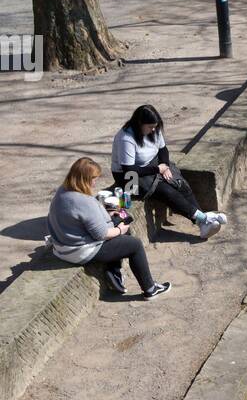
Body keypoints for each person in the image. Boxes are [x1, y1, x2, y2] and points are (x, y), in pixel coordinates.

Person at [46, 157, 170, 299]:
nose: (95, 182)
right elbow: (101, 234)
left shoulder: (62, 191)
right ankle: (150, 289)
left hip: (63, 246)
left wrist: (109, 216)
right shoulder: (83, 201)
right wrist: (119, 230)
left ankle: (114, 274)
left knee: (119, 222)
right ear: (83, 179)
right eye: (93, 178)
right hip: (79, 251)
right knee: (134, 244)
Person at [111, 105, 226, 239]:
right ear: (139, 124)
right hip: (129, 177)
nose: (153, 129)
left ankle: (203, 224)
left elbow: (163, 149)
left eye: (155, 126)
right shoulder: (126, 138)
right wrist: (157, 169)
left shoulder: (154, 129)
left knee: (178, 183)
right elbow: (129, 169)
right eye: (150, 127)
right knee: (167, 191)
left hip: (152, 165)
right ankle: (205, 218)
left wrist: (164, 165)